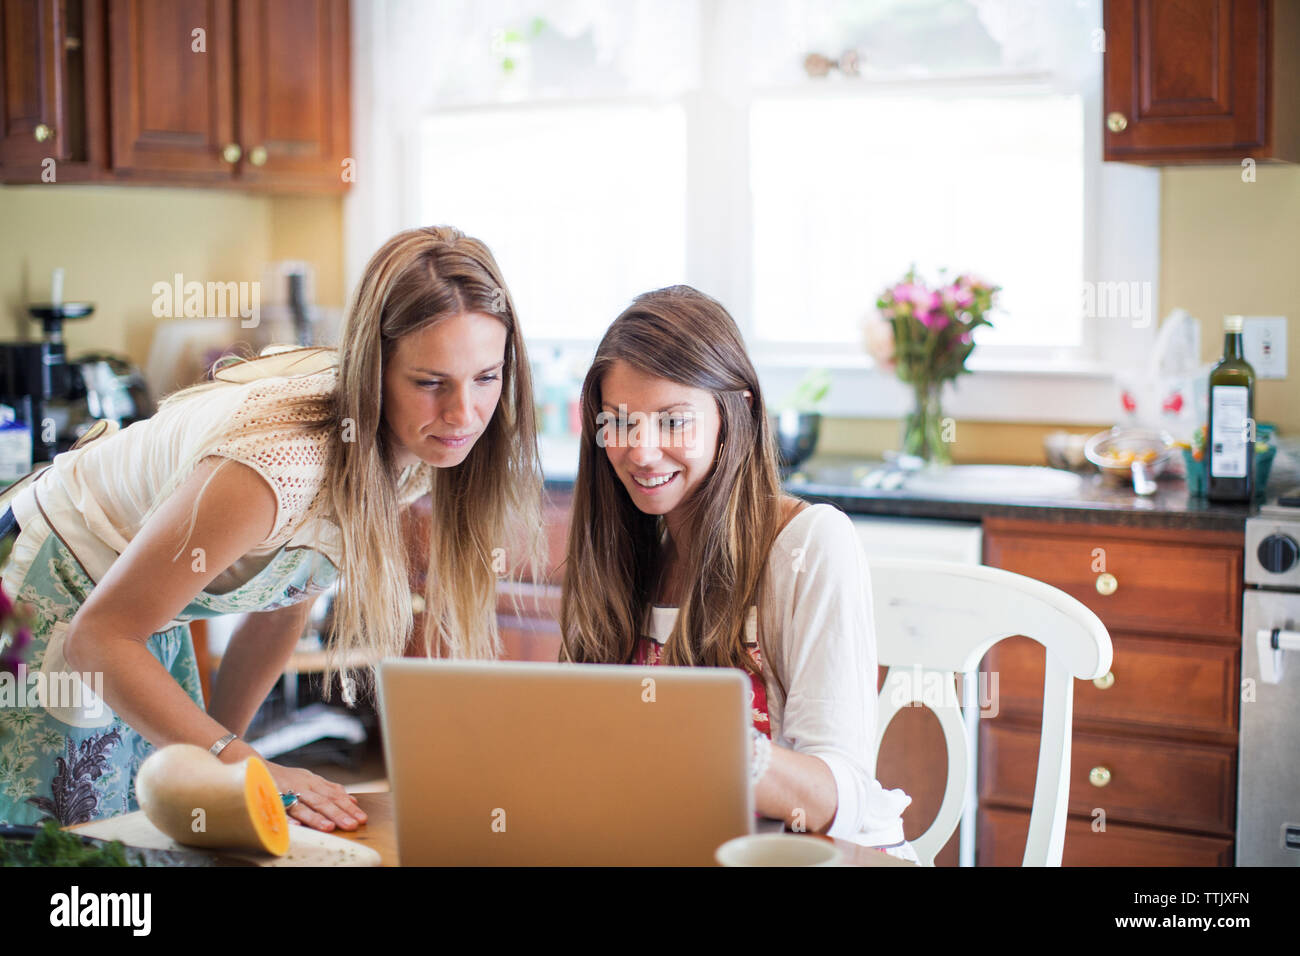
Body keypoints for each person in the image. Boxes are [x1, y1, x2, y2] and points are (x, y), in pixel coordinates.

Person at [0, 226, 541, 832]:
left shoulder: (405, 453)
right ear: (375, 369)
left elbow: (282, 604)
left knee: (154, 833)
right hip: (51, 593)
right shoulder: (275, 468)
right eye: (430, 382)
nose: (464, 414)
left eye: (486, 377)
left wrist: (234, 769)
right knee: (65, 853)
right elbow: (98, 638)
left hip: (139, 617)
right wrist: (244, 763)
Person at [559, 285, 917, 862]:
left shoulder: (809, 543)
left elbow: (839, 796)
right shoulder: (624, 554)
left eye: (674, 422)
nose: (642, 452)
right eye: (619, 423)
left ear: (738, 411)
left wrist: (711, 744)